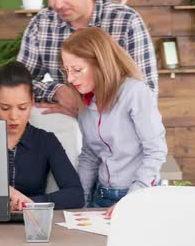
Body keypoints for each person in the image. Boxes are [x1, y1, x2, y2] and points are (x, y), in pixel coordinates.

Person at [17, 0, 158, 117]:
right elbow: (18, 82)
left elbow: (146, 94)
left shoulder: (126, 21)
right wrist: (57, 91)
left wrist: (86, 111)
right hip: (65, 132)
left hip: (118, 135)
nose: (58, 3)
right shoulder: (40, 25)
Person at [60, 27, 167, 216]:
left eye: (77, 70)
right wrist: (80, 202)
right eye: (67, 70)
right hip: (101, 196)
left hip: (138, 196)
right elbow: (90, 155)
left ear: (101, 64)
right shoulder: (86, 100)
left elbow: (155, 152)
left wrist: (132, 199)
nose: (70, 78)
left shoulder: (135, 93)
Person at [0, 61, 84, 210]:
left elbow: (76, 195)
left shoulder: (46, 141)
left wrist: (27, 203)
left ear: (32, 101)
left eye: (22, 107)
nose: (14, 116)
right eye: (5, 108)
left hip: (33, 222)